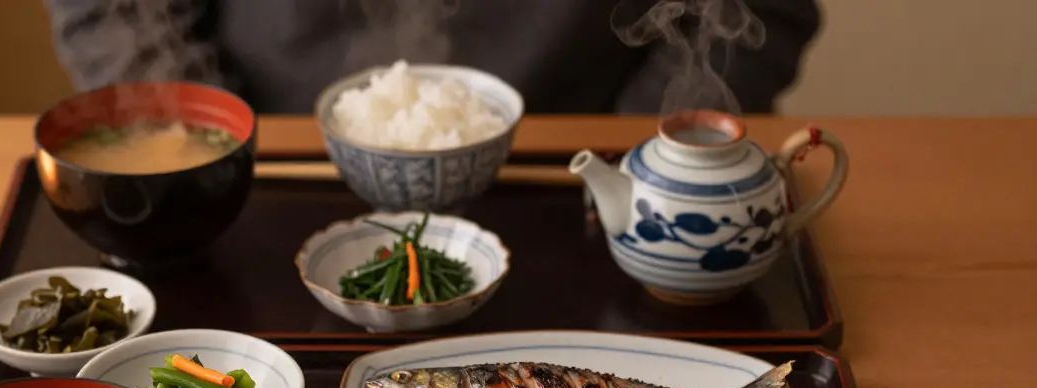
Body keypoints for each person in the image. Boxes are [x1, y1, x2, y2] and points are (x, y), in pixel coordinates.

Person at [42, 0, 820, 114]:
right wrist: (211, 145)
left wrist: (636, 177)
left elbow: (754, 8)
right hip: (269, 160)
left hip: (583, 151)